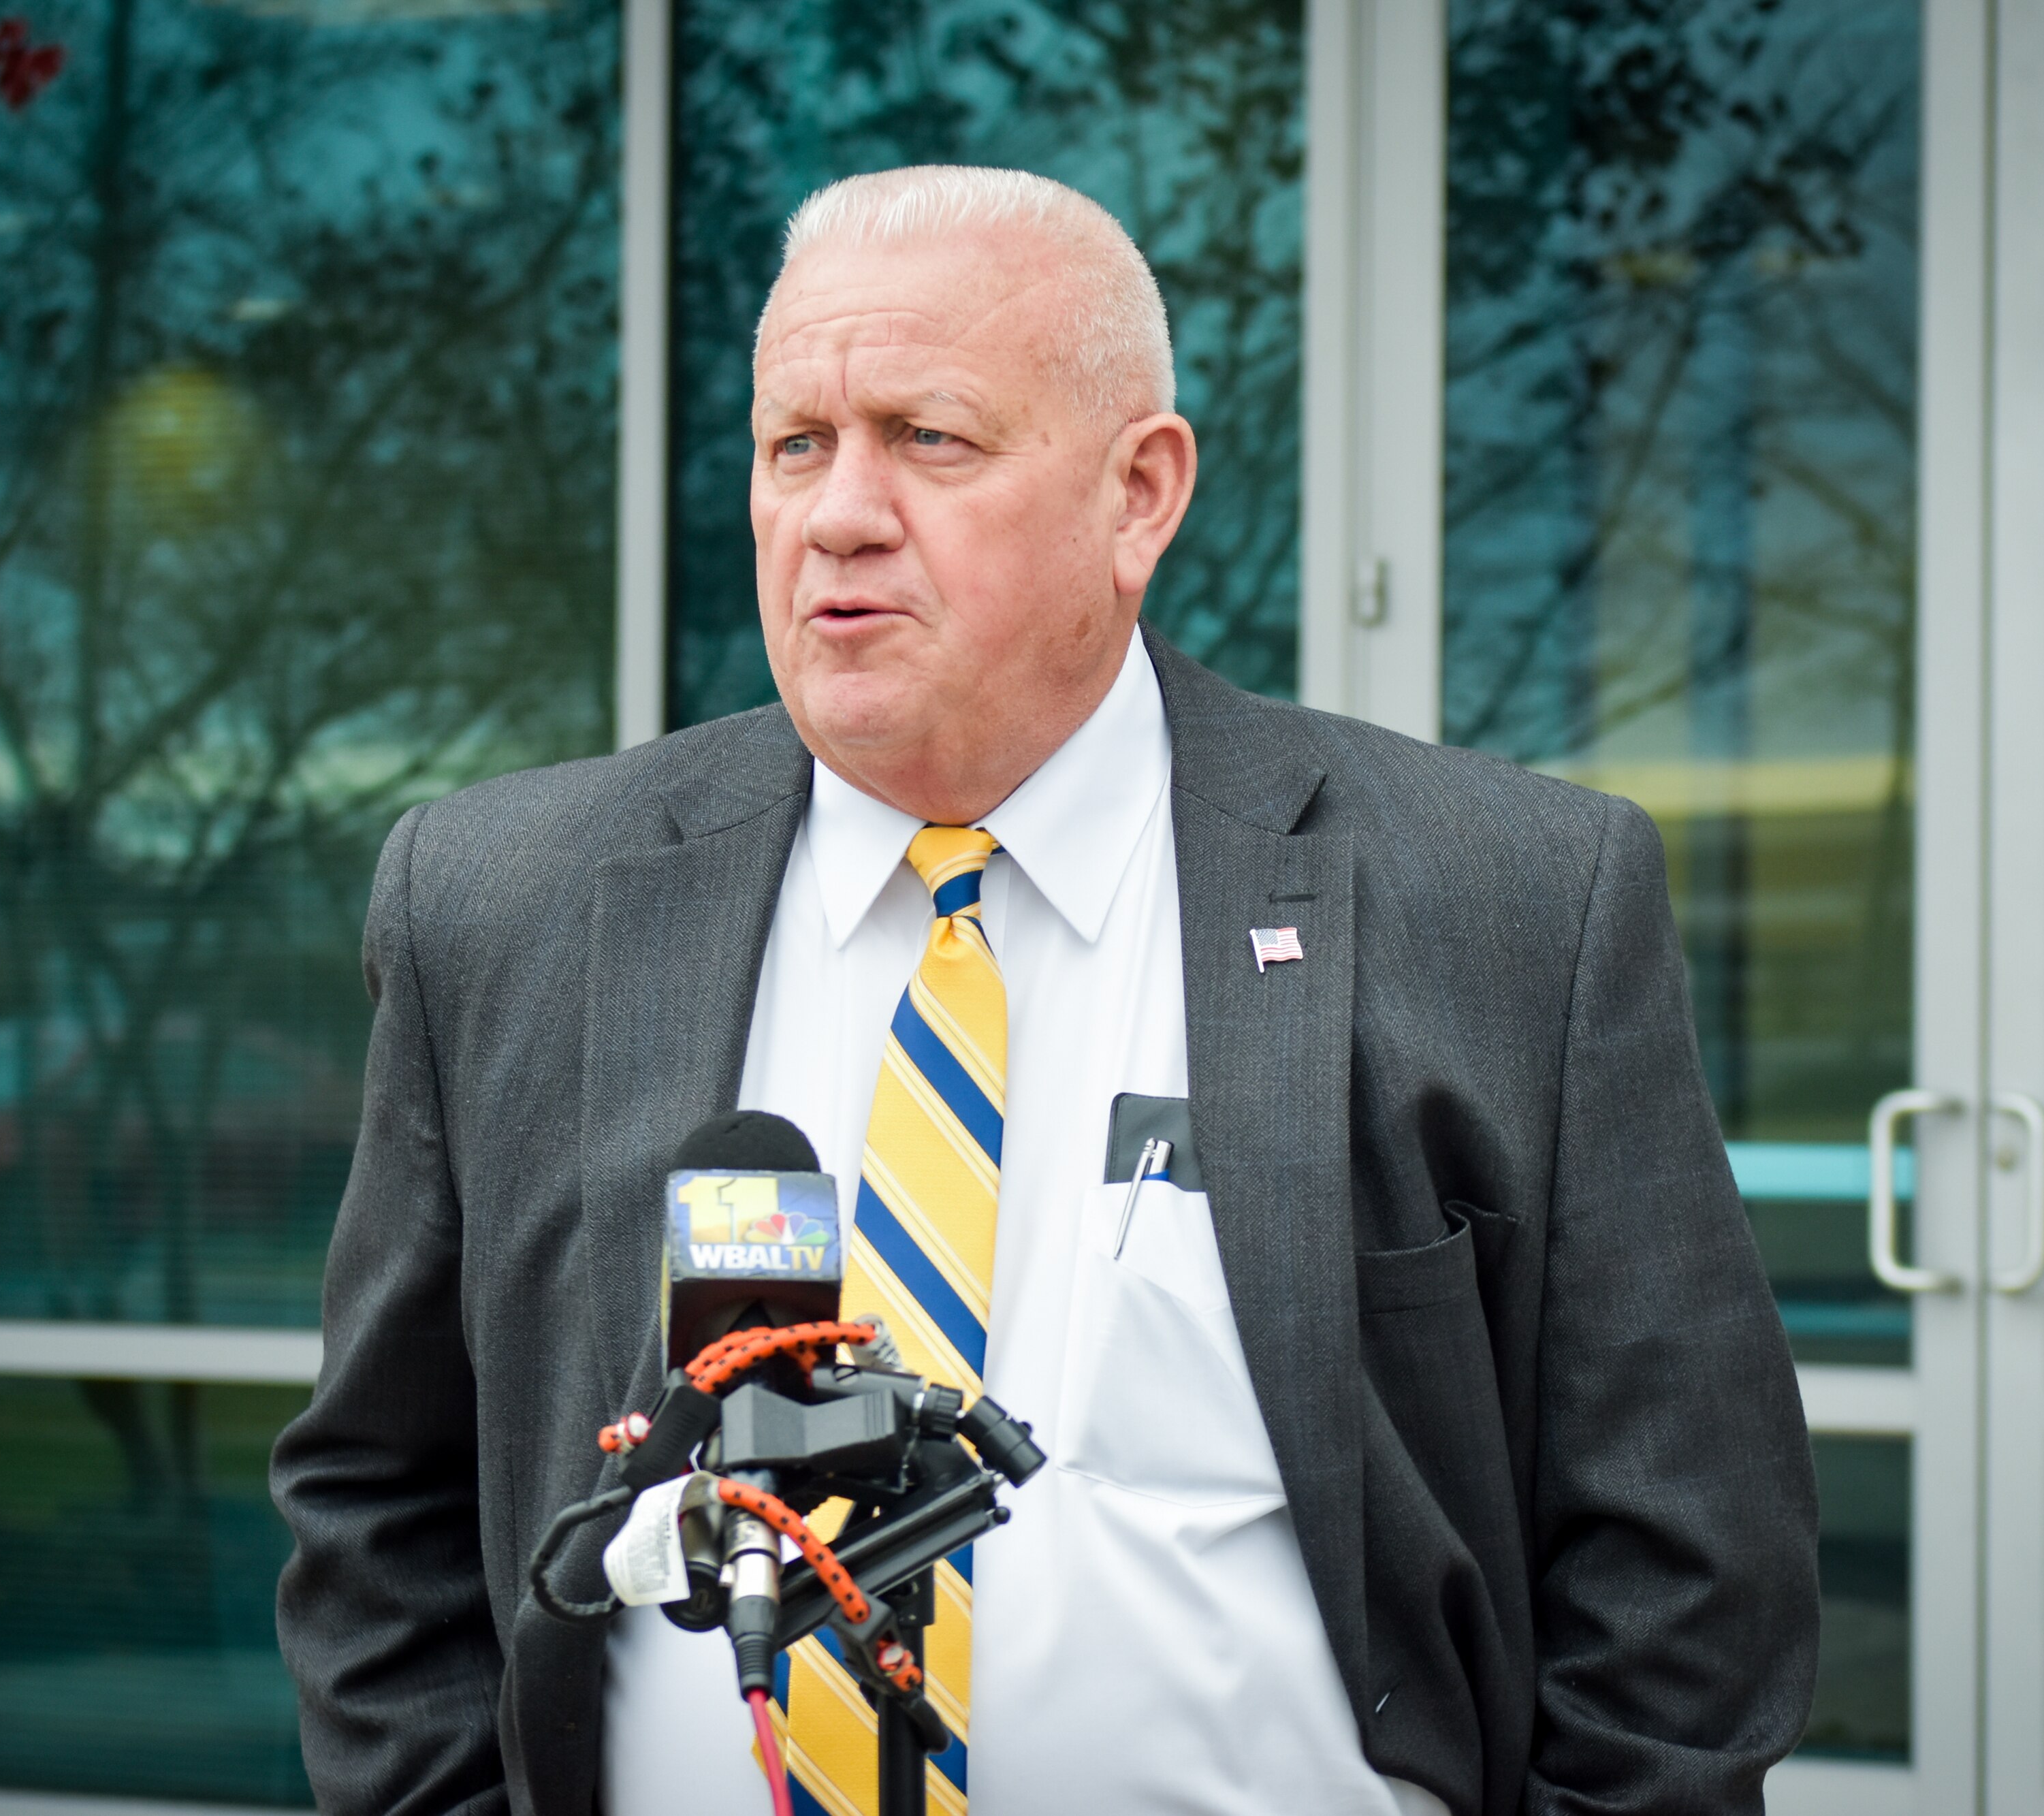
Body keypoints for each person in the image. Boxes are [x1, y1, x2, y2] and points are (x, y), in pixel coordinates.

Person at [272, 165, 1817, 1816]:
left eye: (928, 438)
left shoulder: (1503, 903)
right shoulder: (504, 903)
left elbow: (1684, 1561)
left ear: (1137, 495)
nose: (840, 513)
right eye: (797, 443)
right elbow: (383, 1501)